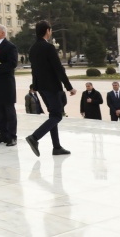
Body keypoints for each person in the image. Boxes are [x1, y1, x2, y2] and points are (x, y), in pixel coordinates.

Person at [25, 20, 77, 157]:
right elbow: (58, 69)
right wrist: (69, 87)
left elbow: (34, 69)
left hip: (40, 87)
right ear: (47, 31)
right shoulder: (48, 47)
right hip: (52, 87)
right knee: (57, 115)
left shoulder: (33, 48)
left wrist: (35, 86)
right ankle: (34, 137)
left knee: (53, 114)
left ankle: (56, 147)